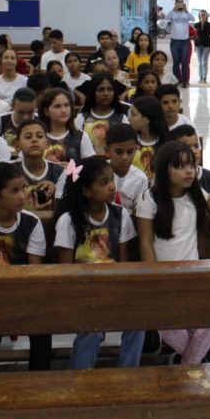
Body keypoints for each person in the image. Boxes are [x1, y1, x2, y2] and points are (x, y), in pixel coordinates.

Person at [135, 141, 210, 364]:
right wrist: (154, 276)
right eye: (180, 166)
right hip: (164, 277)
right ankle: (193, 362)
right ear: (165, 169)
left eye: (192, 166)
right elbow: (145, 241)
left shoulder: (195, 194)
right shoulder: (150, 199)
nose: (189, 171)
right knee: (167, 324)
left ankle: (186, 362)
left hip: (193, 276)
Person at [56, 156, 144, 375]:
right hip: (82, 292)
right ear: (87, 191)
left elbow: (123, 263)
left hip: (113, 287)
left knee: (138, 320)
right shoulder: (69, 220)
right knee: (92, 328)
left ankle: (128, 374)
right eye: (104, 183)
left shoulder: (119, 214)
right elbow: (64, 270)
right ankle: (79, 377)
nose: (112, 186)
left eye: (112, 180)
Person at [0, 163, 51, 375]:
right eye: (14, 191)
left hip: (24, 291)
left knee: (42, 324)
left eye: (23, 188)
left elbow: (34, 271)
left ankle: (40, 380)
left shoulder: (31, 222)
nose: (22, 196)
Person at [12, 119, 65, 212]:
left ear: (47, 143)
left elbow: (60, 211)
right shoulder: (9, 170)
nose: (34, 140)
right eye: (28, 137)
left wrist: (53, 194)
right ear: (17, 145)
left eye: (40, 136)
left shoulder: (59, 171)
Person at [38, 88, 94, 164]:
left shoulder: (81, 136)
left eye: (66, 105)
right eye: (57, 106)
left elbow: (92, 168)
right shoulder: (37, 136)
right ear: (46, 111)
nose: (63, 110)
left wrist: (72, 169)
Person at [77, 72, 130, 154]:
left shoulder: (122, 118)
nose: (106, 93)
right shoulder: (82, 118)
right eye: (101, 90)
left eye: (110, 89)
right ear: (93, 92)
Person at [105, 123, 148, 213]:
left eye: (130, 151)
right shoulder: (98, 172)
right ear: (107, 150)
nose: (125, 157)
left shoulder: (141, 179)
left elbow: (140, 214)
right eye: (118, 152)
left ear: (136, 149)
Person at [129, 96, 167, 179]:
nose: (129, 118)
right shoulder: (129, 140)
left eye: (133, 115)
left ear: (146, 119)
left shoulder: (166, 144)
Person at [0, 87, 37, 157]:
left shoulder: (40, 121)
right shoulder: (2, 119)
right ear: (12, 106)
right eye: (21, 112)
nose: (25, 117)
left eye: (30, 112)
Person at [168, 0, 194, 88]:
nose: (180, 3)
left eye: (181, 2)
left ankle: (185, 81)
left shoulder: (186, 13)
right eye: (178, 1)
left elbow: (193, 18)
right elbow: (167, 18)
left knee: (184, 62)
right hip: (174, 41)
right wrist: (174, 9)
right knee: (176, 62)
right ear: (175, 3)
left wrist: (186, 10)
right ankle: (176, 80)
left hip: (185, 41)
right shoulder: (172, 12)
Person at [193, 10, 210, 84]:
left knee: (204, 62)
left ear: (206, 16)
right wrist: (194, 46)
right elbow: (194, 36)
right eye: (201, 15)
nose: (202, 16)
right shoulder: (196, 25)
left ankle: (204, 77)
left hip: (207, 45)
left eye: (204, 15)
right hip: (198, 45)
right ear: (199, 16)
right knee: (199, 62)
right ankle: (200, 77)